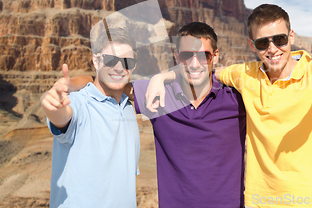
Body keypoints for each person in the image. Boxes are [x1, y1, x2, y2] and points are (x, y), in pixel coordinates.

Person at [148, 4, 312, 208]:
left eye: (280, 39)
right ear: (251, 45)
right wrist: (164, 75)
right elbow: (203, 70)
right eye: (262, 43)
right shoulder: (246, 74)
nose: (272, 49)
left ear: (291, 36)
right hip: (259, 201)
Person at [70, 22, 247, 208]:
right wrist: (64, 84)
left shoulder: (236, 99)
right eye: (187, 56)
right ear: (177, 57)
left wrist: (163, 75)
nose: (195, 63)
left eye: (204, 56)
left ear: (215, 56)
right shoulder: (160, 95)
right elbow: (105, 82)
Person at [41, 27, 140, 208]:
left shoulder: (127, 108)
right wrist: (54, 107)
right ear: (96, 60)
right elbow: (64, 117)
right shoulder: (80, 104)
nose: (118, 67)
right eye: (110, 60)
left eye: (126, 61)